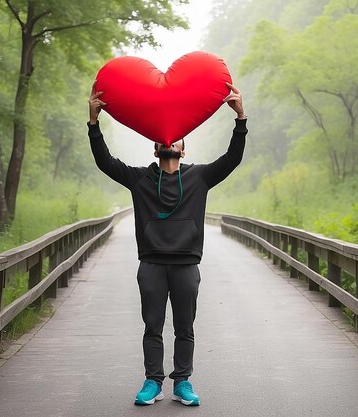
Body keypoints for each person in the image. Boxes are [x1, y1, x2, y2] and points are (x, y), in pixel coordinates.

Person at [87, 80, 246, 407]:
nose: (169, 140)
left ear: (183, 149)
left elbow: (232, 158)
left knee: (184, 327)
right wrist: (93, 122)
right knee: (153, 326)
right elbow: (105, 161)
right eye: (163, 138)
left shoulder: (199, 177)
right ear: (156, 148)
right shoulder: (139, 179)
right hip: (152, 265)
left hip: (187, 264)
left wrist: (240, 118)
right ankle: (153, 382)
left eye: (176, 138)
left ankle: (183, 382)